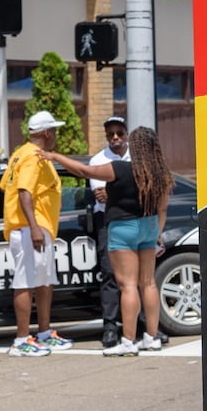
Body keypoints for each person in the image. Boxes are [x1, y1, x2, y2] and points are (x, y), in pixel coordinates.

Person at [44, 126, 174, 357]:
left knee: (127, 286)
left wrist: (55, 157)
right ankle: (152, 337)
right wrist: (158, 233)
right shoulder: (160, 173)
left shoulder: (120, 168)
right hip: (150, 226)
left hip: (123, 228)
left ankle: (128, 341)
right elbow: (162, 208)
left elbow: (84, 171)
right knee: (149, 283)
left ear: (136, 147)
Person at [0, 111, 75, 356]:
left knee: (43, 281)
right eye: (53, 130)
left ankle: (44, 332)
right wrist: (33, 226)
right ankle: (22, 340)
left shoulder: (20, 153)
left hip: (38, 227)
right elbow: (24, 192)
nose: (55, 135)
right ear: (45, 132)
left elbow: (5, 186)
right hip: (29, 228)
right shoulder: (32, 156)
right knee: (25, 282)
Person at [87, 116, 131, 349]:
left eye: (119, 133)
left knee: (139, 277)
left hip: (135, 219)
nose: (115, 138)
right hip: (108, 221)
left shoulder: (138, 156)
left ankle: (142, 325)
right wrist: (128, 190)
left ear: (126, 133)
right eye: (110, 134)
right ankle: (111, 328)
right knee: (110, 274)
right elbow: (102, 196)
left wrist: (115, 192)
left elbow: (144, 189)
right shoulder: (98, 160)